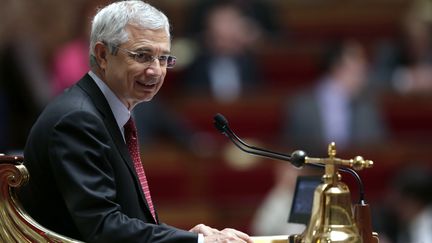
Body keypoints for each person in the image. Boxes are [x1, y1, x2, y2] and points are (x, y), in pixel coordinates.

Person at [18, 1, 252, 243]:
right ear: (102, 55)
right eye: (142, 56)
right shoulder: (78, 120)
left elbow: (126, 218)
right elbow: (103, 226)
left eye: (163, 59)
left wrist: (186, 236)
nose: (155, 71)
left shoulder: (104, 113)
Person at [282, 39, 387, 155]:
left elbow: (377, 148)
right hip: (314, 169)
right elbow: (290, 148)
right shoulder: (302, 105)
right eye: (358, 59)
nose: (365, 66)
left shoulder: (368, 106)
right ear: (336, 65)